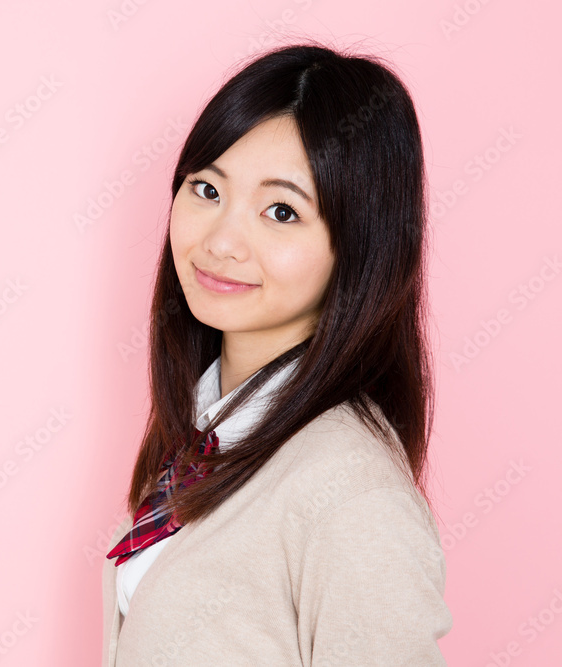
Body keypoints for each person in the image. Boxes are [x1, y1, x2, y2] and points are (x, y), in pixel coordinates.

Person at [101, 42, 453, 666]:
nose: (223, 240)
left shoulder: (351, 492)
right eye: (207, 190)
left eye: (281, 211)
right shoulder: (207, 431)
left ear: (359, 248)